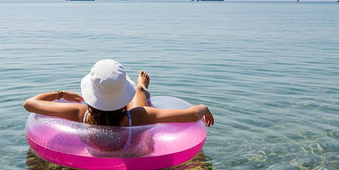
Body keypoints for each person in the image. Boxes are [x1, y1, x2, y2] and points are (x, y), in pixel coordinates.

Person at [23, 59, 214, 127]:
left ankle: (140, 88)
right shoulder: (141, 116)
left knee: (138, 95)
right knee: (139, 90)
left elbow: (29, 103)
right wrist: (204, 108)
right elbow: (191, 115)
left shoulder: (78, 113)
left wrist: (61, 93)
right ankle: (142, 87)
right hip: (133, 130)